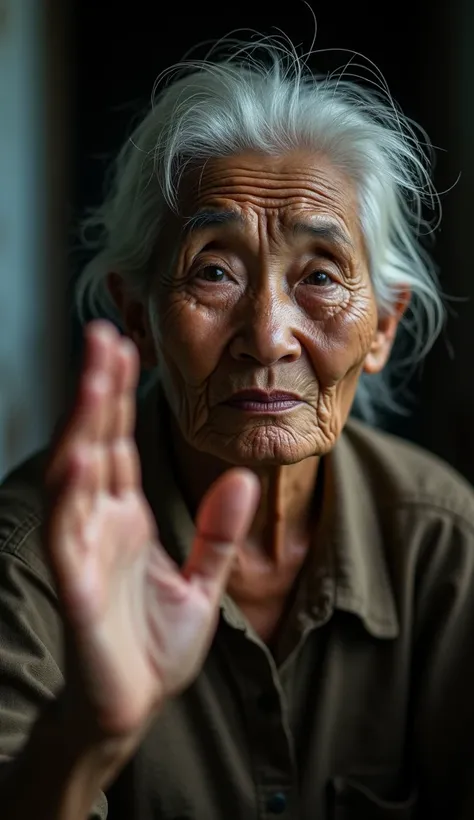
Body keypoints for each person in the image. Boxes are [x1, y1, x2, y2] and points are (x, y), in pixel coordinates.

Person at [1, 35, 473, 820]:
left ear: (384, 327)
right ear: (137, 316)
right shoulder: (33, 560)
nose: (268, 334)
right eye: (213, 270)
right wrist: (85, 734)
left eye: (320, 275)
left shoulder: (447, 547)